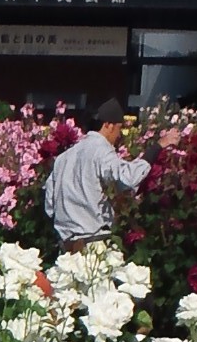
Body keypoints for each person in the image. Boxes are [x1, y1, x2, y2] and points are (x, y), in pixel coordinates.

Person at [41, 98, 150, 249]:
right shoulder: (101, 151)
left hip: (66, 249)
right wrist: (156, 149)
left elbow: (49, 206)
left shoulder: (64, 158)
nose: (119, 136)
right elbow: (128, 177)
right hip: (93, 245)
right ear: (108, 125)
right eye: (119, 129)